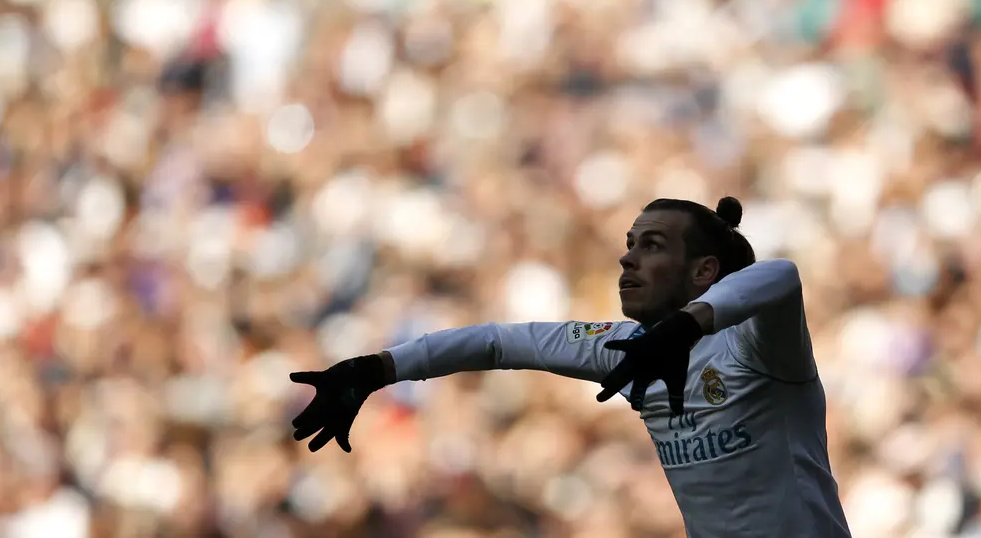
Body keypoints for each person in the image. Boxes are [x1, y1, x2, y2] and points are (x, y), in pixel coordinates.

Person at [289, 197, 851, 538]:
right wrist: (377, 369)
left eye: (652, 246)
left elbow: (782, 276)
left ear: (705, 271)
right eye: (630, 244)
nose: (627, 257)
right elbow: (496, 344)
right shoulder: (624, 345)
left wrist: (689, 325)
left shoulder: (755, 347)